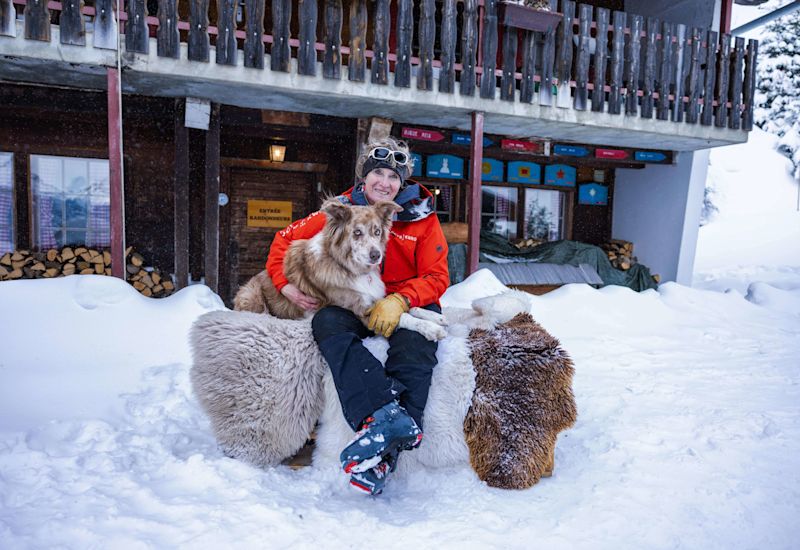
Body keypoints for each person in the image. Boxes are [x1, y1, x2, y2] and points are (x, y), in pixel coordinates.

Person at [265, 137, 449, 495]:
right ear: (365, 177)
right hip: (355, 300)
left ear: (403, 182)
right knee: (326, 323)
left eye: (393, 177)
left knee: (414, 349)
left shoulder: (422, 220)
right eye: (377, 173)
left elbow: (438, 276)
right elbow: (283, 240)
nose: (384, 182)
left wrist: (402, 299)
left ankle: (382, 458)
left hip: (407, 303)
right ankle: (380, 416)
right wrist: (284, 285)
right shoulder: (342, 211)